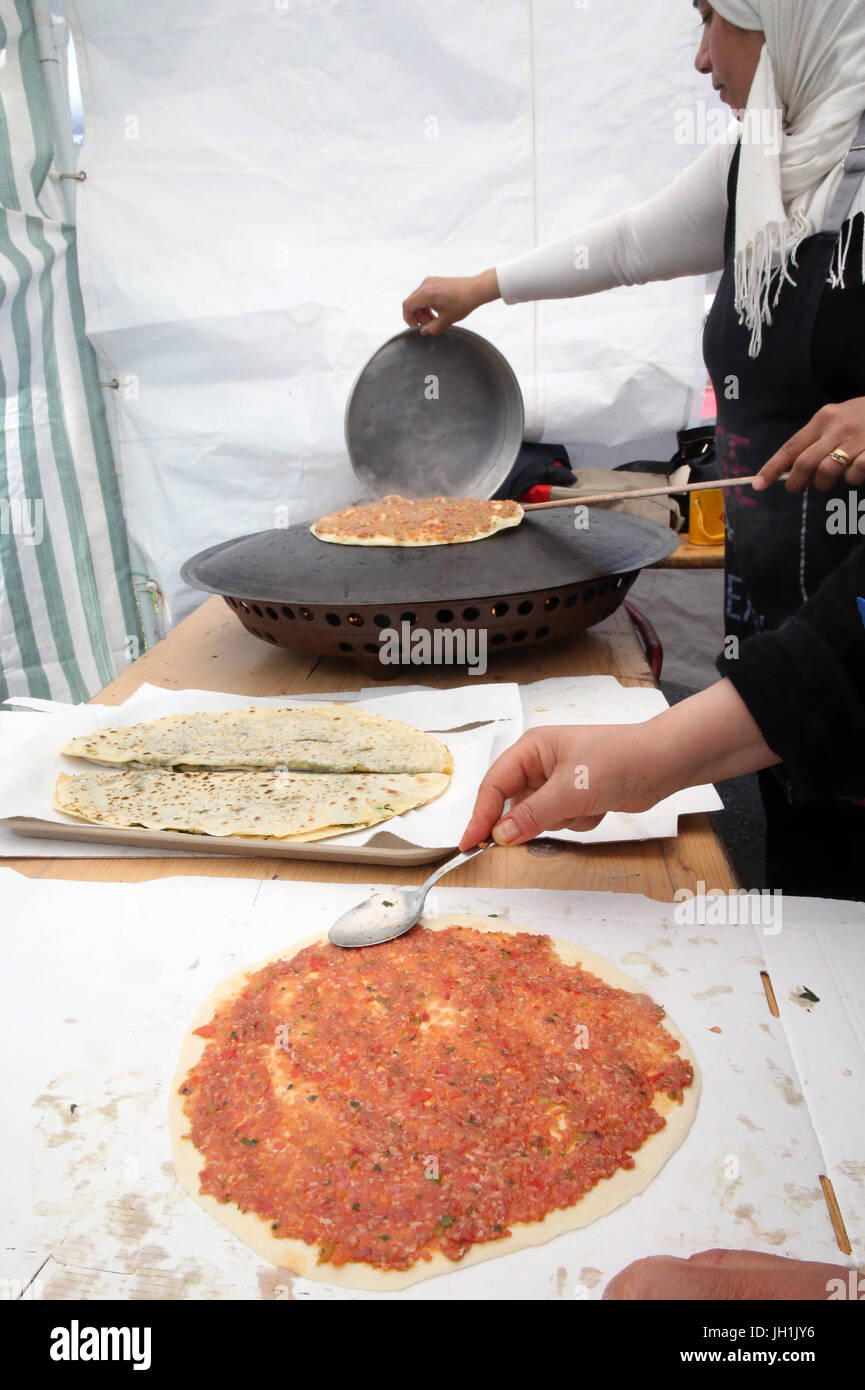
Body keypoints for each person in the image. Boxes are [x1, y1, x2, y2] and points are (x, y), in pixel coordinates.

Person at [403, 0, 865, 901]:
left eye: (711, 19)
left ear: (789, 18)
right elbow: (622, 246)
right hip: (776, 632)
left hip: (849, 638)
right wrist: (482, 289)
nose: (700, 60)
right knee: (818, 948)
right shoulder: (764, 172)